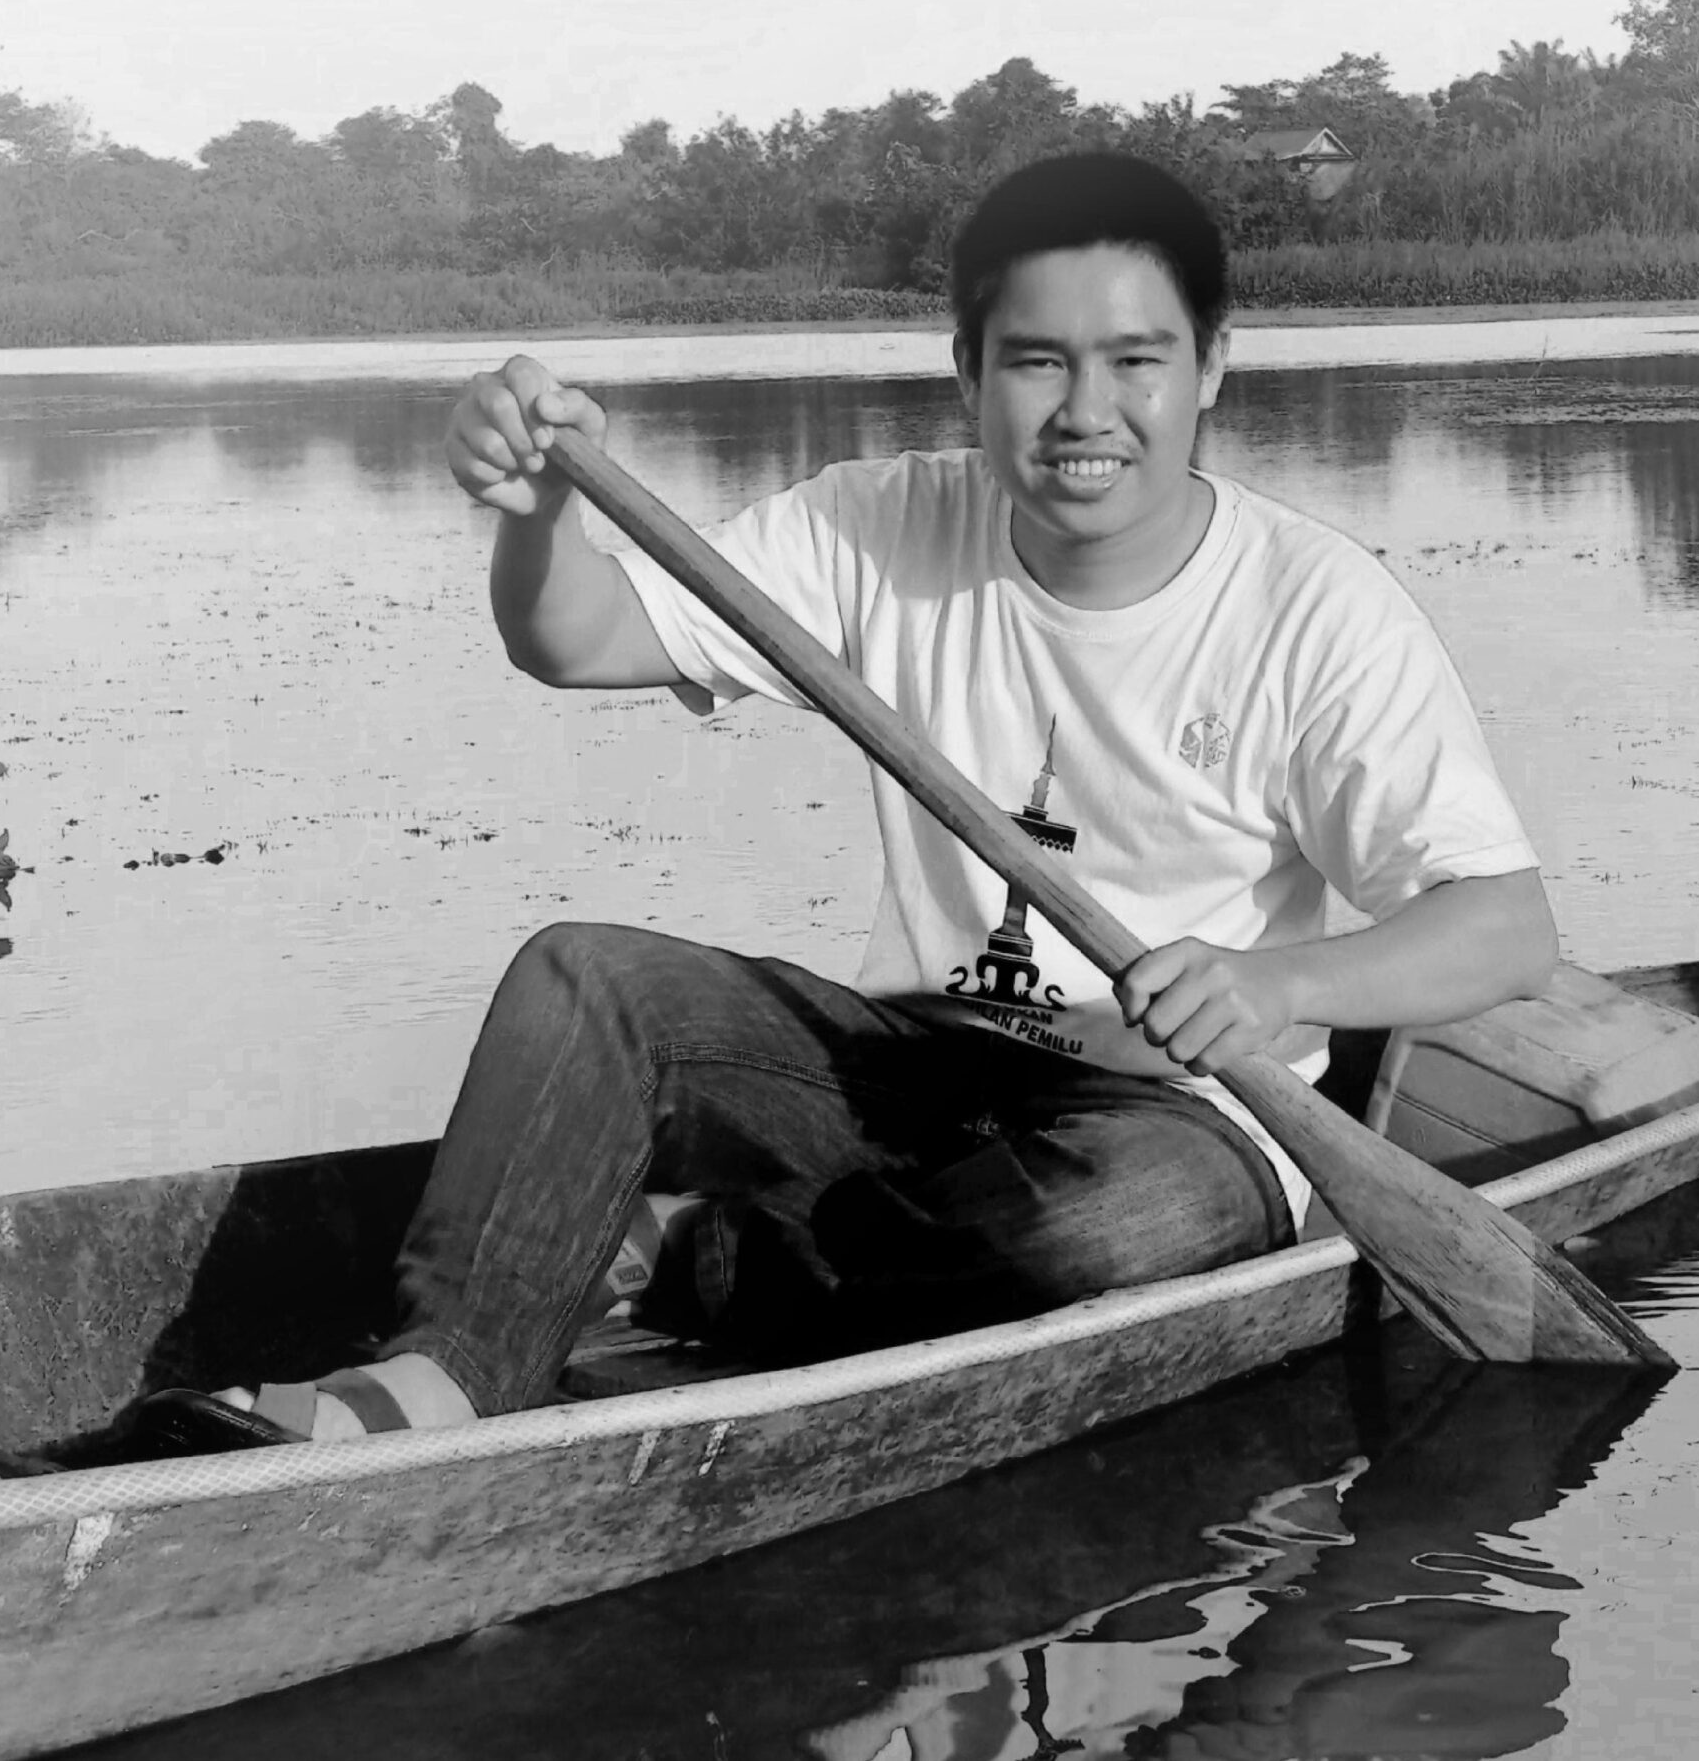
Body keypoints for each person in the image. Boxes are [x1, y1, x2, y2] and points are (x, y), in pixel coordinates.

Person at [155, 151, 1558, 1449]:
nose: (1087, 413)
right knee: (587, 983)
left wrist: (1277, 981)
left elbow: (1504, 926)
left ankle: (711, 1253)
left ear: (1212, 369)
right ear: (967, 372)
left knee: (1107, 1233)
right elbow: (573, 640)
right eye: (1037, 362)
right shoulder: (875, 526)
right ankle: (453, 1372)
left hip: (1171, 1109)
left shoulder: (1317, 610)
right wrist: (535, 511)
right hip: (912, 1070)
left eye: (1137, 361)